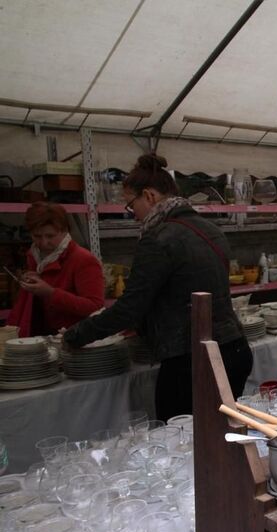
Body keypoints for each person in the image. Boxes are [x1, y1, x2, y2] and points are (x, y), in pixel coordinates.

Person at [63, 154, 252, 420]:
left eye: (131, 205)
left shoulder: (157, 238)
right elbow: (182, 289)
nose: (133, 215)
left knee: (178, 443)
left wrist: (75, 335)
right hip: (234, 349)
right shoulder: (210, 229)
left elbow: (130, 308)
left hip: (192, 360)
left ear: (149, 196)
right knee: (225, 439)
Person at [8, 202, 104, 337]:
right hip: (42, 335)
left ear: (65, 231)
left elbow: (95, 306)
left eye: (50, 236)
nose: (43, 242)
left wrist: (50, 292)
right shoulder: (34, 255)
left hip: (74, 338)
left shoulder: (83, 260)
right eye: (37, 236)